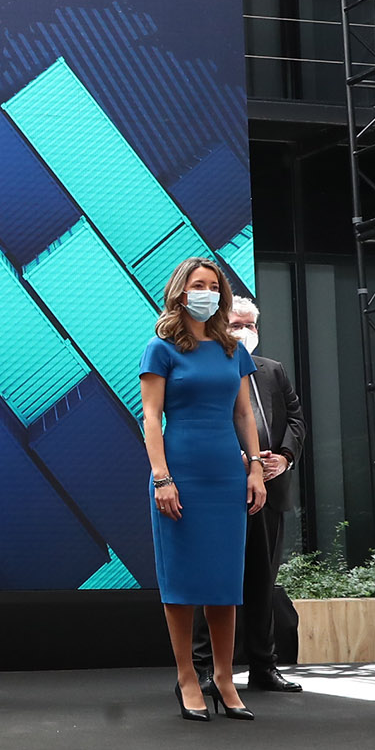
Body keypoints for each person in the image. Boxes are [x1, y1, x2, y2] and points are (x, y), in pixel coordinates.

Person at [140, 257, 267, 723]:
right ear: (180, 291)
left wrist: (254, 469)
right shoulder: (161, 348)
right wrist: (162, 478)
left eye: (214, 286)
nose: (207, 292)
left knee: (223, 582)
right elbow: (151, 417)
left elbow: (243, 415)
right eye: (198, 284)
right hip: (180, 473)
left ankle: (225, 678)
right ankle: (187, 678)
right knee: (182, 583)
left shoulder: (234, 349)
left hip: (225, 476)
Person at [192, 294, 306, 695]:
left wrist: (285, 457)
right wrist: (237, 456)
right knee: (215, 581)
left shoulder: (272, 370)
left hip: (270, 492)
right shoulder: (206, 367)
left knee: (263, 582)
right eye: (236, 324)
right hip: (222, 488)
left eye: (250, 325)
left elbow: (295, 419)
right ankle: (204, 669)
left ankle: (264, 666)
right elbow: (198, 420)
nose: (244, 332)